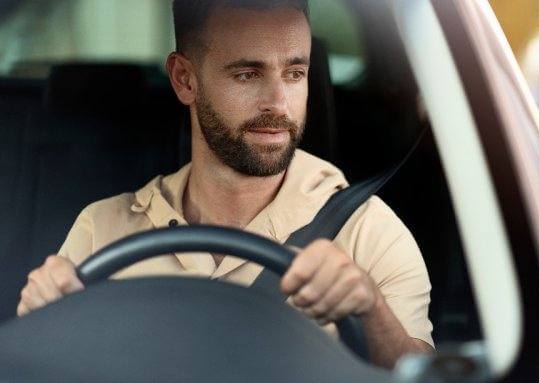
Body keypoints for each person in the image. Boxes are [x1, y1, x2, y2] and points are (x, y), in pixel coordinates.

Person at [16, 0, 432, 368]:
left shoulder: (368, 231)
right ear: (184, 80)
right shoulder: (102, 228)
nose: (278, 102)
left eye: (294, 73)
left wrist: (370, 307)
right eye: (248, 74)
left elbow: (424, 374)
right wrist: (38, 316)